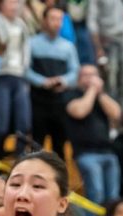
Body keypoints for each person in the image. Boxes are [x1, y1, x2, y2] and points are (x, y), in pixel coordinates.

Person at [64, 64, 121, 208]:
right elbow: (79, 111)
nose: (90, 78)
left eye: (93, 75)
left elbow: (116, 113)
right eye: (86, 75)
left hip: (108, 152)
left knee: (113, 197)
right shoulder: (71, 94)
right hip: (86, 154)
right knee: (96, 193)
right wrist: (92, 89)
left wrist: (100, 93)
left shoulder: (102, 97)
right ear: (78, 79)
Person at [27, 5, 78, 154]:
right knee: (36, 145)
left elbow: (75, 72)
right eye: (53, 19)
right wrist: (42, 81)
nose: (57, 23)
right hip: (38, 100)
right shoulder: (32, 43)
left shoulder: (68, 47)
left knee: (60, 146)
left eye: (60, 19)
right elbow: (25, 70)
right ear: (44, 20)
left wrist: (63, 80)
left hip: (60, 101)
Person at [0, 0, 32, 156]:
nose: (15, 6)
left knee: (24, 123)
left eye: (17, 2)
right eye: (10, 2)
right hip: (0, 76)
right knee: (0, 125)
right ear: (1, 5)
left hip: (19, 75)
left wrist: (25, 68)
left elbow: (26, 49)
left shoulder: (21, 24)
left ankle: (20, 159)